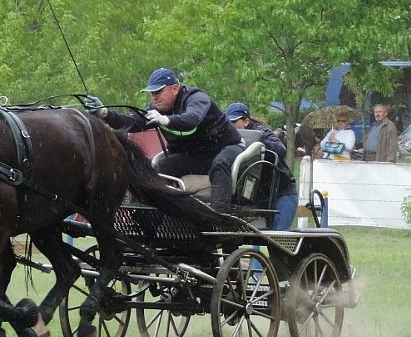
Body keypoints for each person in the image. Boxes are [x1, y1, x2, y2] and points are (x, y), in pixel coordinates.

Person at [84, 68, 244, 213]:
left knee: (220, 164)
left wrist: (165, 120)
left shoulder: (197, 98)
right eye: (152, 93)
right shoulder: (157, 108)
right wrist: (105, 113)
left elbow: (193, 118)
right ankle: (155, 219)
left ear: (175, 88)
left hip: (228, 148)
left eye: (158, 92)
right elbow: (133, 123)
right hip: (197, 157)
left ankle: (220, 219)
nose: (154, 97)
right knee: (162, 166)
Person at [225, 103, 298, 230]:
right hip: (257, 196)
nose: (230, 125)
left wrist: (259, 143)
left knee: (279, 240)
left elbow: (280, 149)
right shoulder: (228, 137)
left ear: (246, 121)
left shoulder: (261, 132)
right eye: (228, 122)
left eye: (234, 121)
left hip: (282, 193)